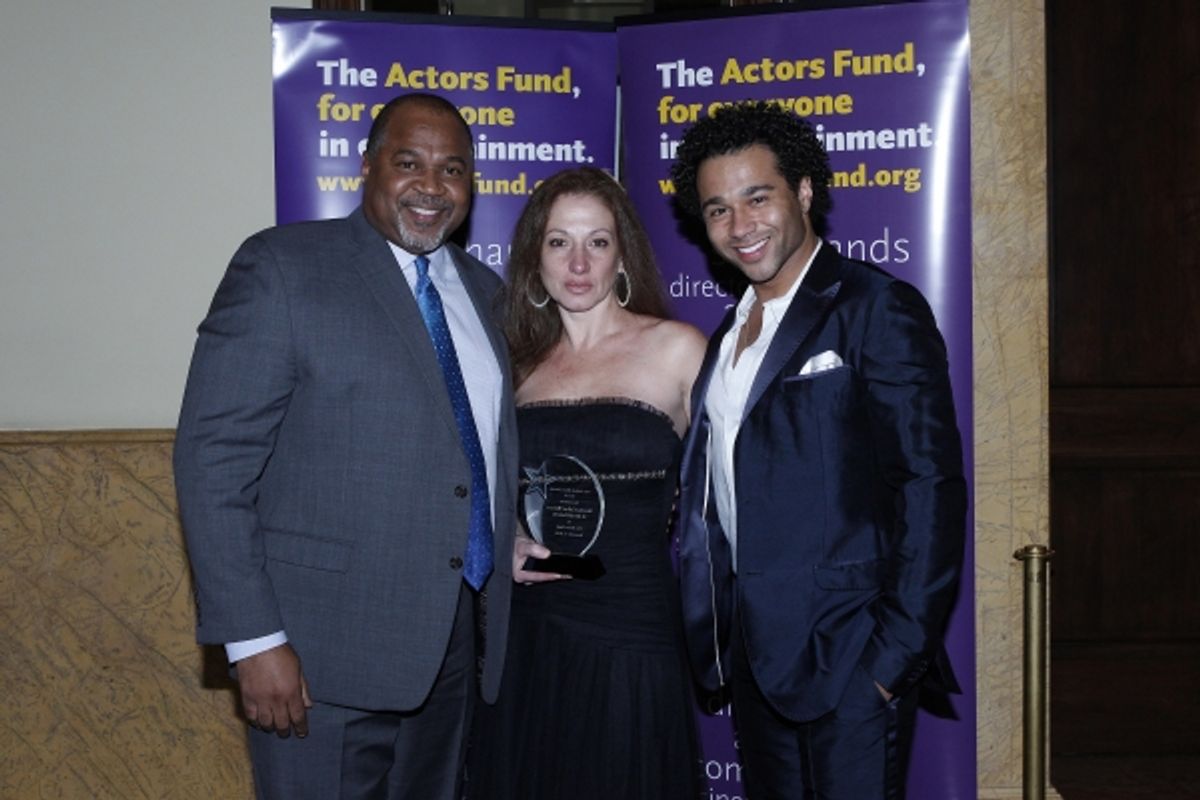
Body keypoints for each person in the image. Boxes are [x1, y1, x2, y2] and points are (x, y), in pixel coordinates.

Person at [173, 93, 519, 799]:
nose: (431, 186)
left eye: (452, 169)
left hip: (455, 652)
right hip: (316, 661)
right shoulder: (283, 268)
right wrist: (254, 640)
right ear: (366, 166)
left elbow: (472, 456)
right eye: (409, 162)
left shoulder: (487, 293)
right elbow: (213, 463)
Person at [669, 101, 967, 798]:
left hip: (851, 660)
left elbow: (929, 485)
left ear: (804, 191)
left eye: (757, 197)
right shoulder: (728, 333)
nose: (739, 225)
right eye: (716, 209)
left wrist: (891, 661)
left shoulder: (875, 307)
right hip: (756, 662)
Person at [466, 167, 707, 800]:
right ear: (533, 260)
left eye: (597, 242)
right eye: (558, 242)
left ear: (622, 254)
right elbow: (469, 485)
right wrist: (502, 540)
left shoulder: (678, 350)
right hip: (532, 634)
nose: (578, 262)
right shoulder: (510, 367)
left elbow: (738, 494)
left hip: (633, 626)